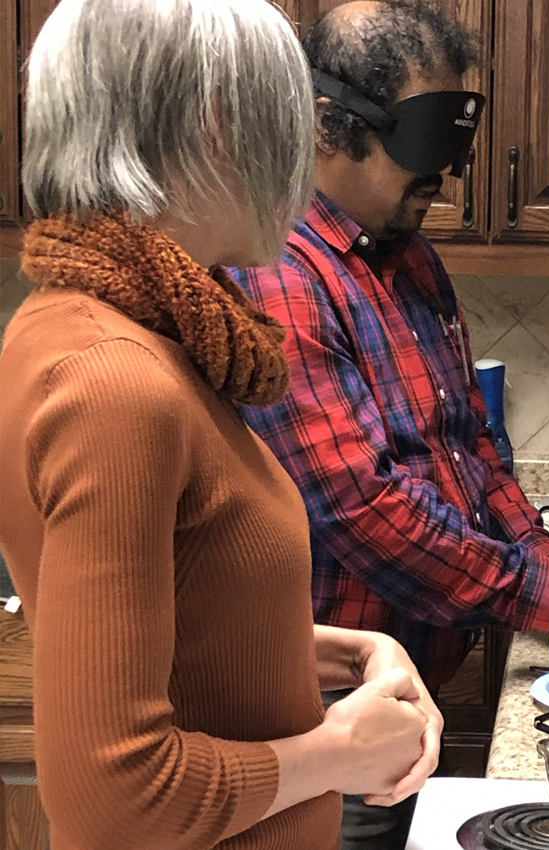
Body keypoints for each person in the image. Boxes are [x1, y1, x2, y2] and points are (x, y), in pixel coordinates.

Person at [0, 2, 441, 849]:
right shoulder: (115, 381)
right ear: (213, 122)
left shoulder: (101, 326)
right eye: (287, 114)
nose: (303, 156)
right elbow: (116, 799)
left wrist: (334, 651)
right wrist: (339, 754)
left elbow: (184, 623)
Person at [228, 1, 549, 845]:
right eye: (425, 145)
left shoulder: (407, 256)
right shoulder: (279, 275)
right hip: (324, 722)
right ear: (330, 125)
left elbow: (472, 447)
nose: (445, 177)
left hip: (406, 697)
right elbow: (358, 504)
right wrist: (542, 594)